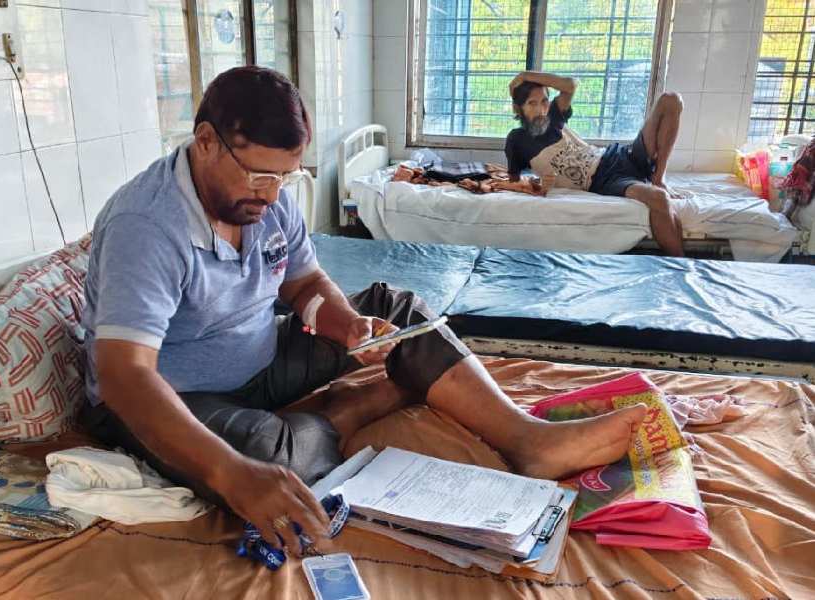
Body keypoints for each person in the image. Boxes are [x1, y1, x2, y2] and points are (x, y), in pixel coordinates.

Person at [81, 65, 647, 555]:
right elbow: (126, 377)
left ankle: (526, 439)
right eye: (260, 176)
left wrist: (345, 324)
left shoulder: (266, 200)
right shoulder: (146, 225)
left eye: (285, 177)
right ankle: (351, 407)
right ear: (205, 141)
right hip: (172, 394)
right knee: (265, 463)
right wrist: (232, 474)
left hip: (260, 356)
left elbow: (304, 284)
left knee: (395, 309)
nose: (273, 195)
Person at [503, 71, 685, 257]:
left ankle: (658, 177)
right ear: (518, 109)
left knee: (671, 100)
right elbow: (514, 182)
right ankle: (682, 267)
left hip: (620, 155)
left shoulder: (554, 116)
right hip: (604, 179)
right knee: (659, 198)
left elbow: (570, 84)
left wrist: (525, 76)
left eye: (544, 101)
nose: (541, 110)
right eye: (532, 103)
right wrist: (537, 184)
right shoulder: (517, 140)